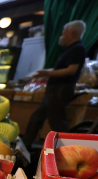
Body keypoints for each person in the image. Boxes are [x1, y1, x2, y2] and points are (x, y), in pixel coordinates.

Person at [23, 21, 86, 149]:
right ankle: (25, 147)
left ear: (73, 33)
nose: (62, 35)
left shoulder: (77, 48)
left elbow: (71, 70)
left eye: (64, 32)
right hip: (54, 89)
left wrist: (47, 73)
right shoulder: (69, 49)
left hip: (61, 89)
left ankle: (70, 149)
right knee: (37, 118)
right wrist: (46, 73)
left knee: (57, 121)